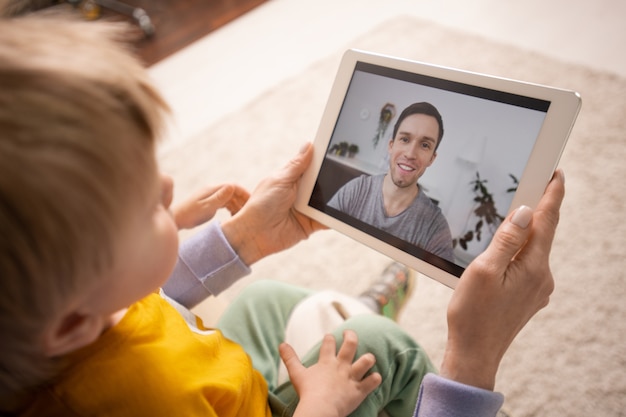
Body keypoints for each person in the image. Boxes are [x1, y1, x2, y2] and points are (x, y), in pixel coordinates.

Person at [0, 12, 565, 417]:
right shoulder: (152, 399)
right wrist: (473, 355)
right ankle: (383, 338)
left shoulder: (70, 318)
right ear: (391, 142)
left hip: (220, 376)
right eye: (145, 204)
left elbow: (146, 303)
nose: (169, 184)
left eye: (153, 167)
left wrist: (241, 239)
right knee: (373, 343)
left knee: (262, 300)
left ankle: (349, 308)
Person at [328, 102, 454, 261]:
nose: (410, 154)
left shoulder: (435, 227)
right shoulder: (356, 190)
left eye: (424, 145)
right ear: (391, 145)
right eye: (405, 139)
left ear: (432, 158)